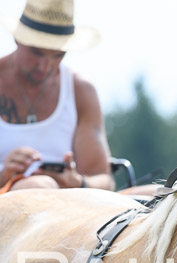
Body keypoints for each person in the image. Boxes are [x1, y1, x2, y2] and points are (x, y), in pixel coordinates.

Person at [0, 0, 113, 193]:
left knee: (163, 195)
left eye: (58, 55)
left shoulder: (81, 91)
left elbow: (104, 179)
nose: (45, 66)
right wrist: (5, 175)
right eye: (36, 53)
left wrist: (78, 182)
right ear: (17, 39)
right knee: (38, 186)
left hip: (66, 208)